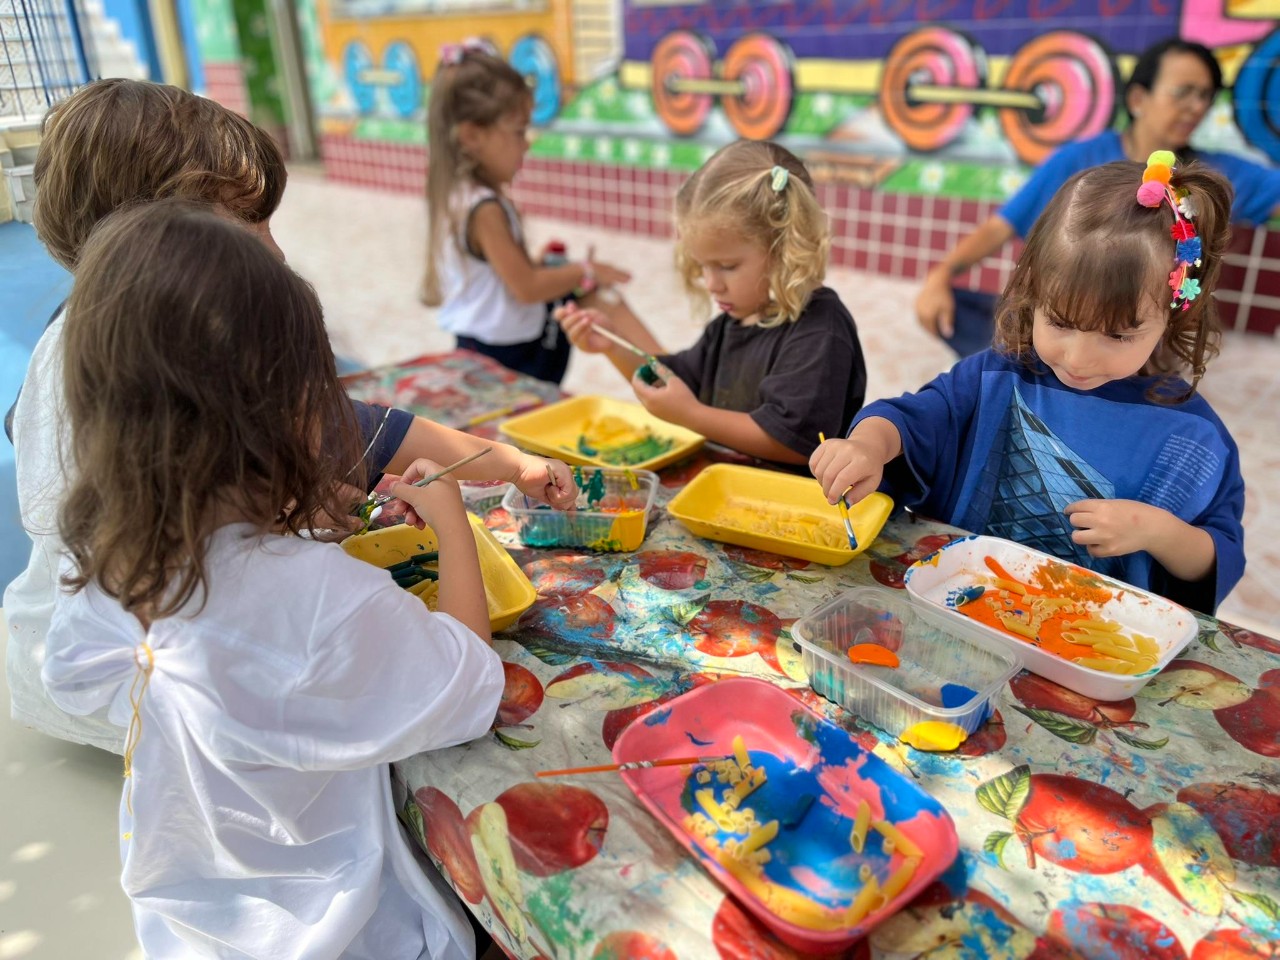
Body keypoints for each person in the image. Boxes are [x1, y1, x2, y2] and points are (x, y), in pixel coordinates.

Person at [4, 78, 576, 754]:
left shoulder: (86, 344)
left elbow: (46, 452)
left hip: (74, 672)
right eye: (250, 224)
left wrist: (276, 501)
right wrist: (455, 511)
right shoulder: (304, 597)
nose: (274, 251)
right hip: (172, 712)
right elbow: (465, 691)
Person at [42, 199, 503, 959]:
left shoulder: (100, 557)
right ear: (284, 413)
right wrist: (451, 525)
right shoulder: (320, 602)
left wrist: (286, 526)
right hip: (345, 932)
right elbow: (471, 689)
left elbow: (74, 678)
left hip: (193, 926)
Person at [813, 156, 1245, 613]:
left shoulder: (1193, 438)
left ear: (1174, 314)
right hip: (958, 607)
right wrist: (867, 445)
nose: (1078, 359)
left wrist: (1157, 531)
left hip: (1092, 635)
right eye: (1060, 322)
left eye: (1118, 335)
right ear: (1033, 291)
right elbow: (912, 419)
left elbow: (1214, 558)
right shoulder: (995, 378)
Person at [916, 38, 1280, 356]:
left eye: (1204, 96)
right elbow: (1001, 226)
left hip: (1139, 338)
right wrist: (940, 276)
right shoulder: (1079, 160)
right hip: (1066, 316)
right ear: (1138, 99)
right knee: (964, 312)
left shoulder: (1210, 176)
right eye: (1183, 92)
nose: (1196, 106)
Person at [557, 139, 866, 466]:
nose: (711, 283)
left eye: (727, 266)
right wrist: (612, 346)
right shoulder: (730, 325)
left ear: (784, 248)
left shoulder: (821, 329)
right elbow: (672, 383)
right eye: (703, 266)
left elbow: (794, 442)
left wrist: (692, 415)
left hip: (791, 496)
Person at [423, 41, 630, 383]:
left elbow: (496, 276)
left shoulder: (460, 195)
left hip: (482, 345)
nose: (527, 142)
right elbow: (527, 288)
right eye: (519, 132)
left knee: (579, 290)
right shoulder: (484, 209)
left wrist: (535, 262)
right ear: (472, 135)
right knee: (594, 296)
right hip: (507, 356)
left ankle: (670, 371)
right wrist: (587, 269)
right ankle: (666, 373)